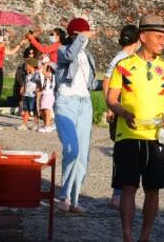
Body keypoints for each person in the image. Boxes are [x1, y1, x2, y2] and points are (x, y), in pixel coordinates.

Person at [106, 14, 164, 242]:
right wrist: (123, 113)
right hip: (128, 134)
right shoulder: (124, 66)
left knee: (153, 189)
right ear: (143, 37)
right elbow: (111, 99)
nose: (163, 42)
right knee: (128, 187)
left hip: (156, 136)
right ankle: (127, 238)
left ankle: (145, 238)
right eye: (158, 37)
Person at [54, 18, 97, 213]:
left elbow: (89, 84)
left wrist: (110, 84)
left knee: (83, 155)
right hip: (66, 102)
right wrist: (81, 37)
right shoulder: (63, 51)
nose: (86, 38)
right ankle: (63, 195)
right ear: (74, 35)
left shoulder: (87, 56)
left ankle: (74, 198)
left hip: (84, 103)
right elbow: (70, 56)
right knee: (71, 150)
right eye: (81, 34)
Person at [103, 24, 141, 209]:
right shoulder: (122, 59)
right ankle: (118, 195)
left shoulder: (126, 57)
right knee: (122, 154)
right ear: (139, 39)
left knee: (127, 154)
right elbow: (107, 81)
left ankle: (121, 193)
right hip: (120, 111)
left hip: (125, 110)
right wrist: (111, 107)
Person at [18, 60, 39, 129]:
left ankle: (36, 124)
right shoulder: (27, 75)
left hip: (33, 95)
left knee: (34, 109)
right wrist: (23, 87)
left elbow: (40, 84)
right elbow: (25, 83)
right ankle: (24, 124)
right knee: (26, 109)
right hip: (27, 94)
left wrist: (38, 90)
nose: (25, 67)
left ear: (31, 66)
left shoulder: (37, 75)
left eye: (27, 65)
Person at [36, 61, 56, 132]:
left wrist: (45, 64)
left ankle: (47, 126)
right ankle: (47, 124)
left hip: (49, 95)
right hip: (45, 94)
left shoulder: (51, 75)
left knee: (47, 111)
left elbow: (43, 72)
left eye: (48, 67)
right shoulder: (47, 76)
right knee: (43, 111)